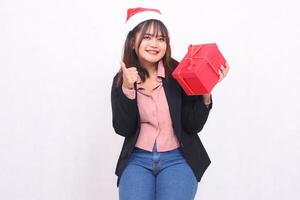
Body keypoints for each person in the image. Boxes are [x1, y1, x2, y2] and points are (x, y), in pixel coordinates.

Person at [111, 7, 229, 200]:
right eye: (147, 37)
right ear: (133, 41)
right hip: (137, 160)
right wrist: (127, 89)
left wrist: (205, 91)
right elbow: (123, 128)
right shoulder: (123, 78)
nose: (154, 44)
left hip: (178, 160)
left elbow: (193, 126)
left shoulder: (178, 73)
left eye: (161, 38)